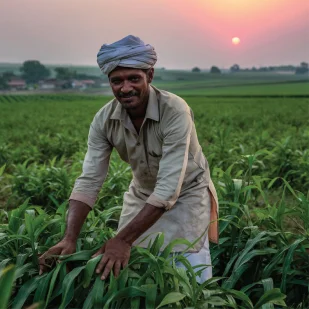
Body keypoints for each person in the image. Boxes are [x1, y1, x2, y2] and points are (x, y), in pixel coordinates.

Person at [39, 35, 219, 283]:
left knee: (187, 272)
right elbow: (89, 180)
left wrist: (123, 238)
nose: (125, 88)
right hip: (143, 193)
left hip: (187, 193)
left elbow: (169, 187)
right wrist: (69, 238)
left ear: (150, 76)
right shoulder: (103, 120)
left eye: (134, 78)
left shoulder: (175, 110)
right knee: (130, 269)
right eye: (117, 81)